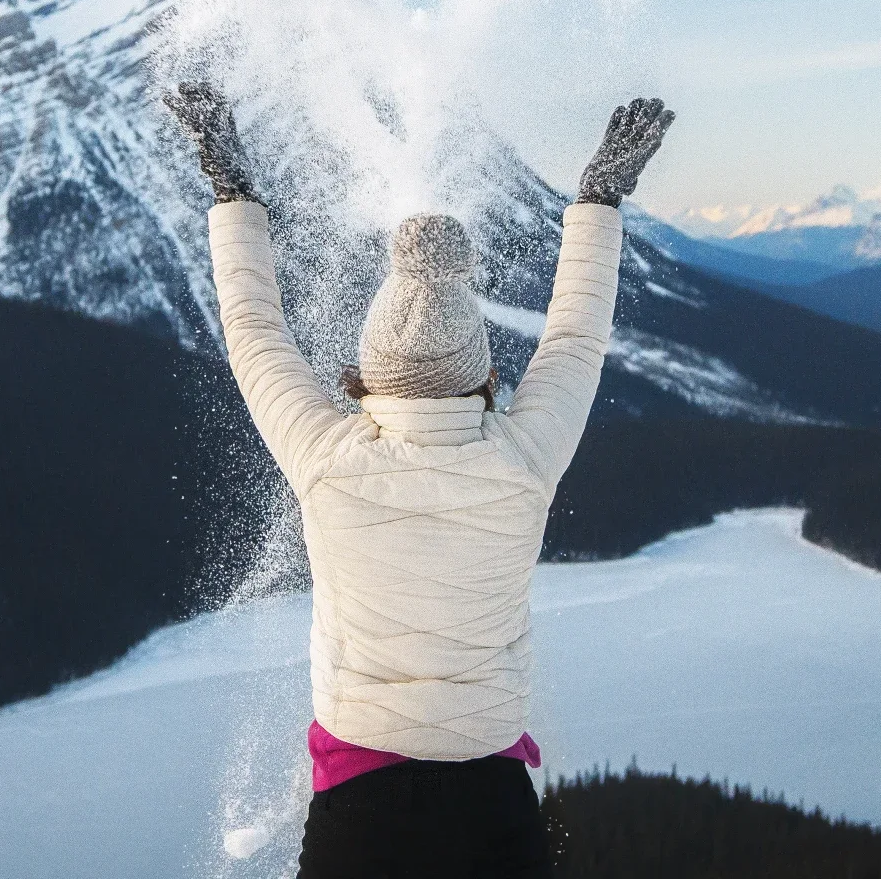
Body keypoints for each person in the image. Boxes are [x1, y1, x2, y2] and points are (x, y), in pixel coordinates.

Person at [165, 84, 674, 879]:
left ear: (369, 373)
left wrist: (233, 194)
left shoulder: (327, 460)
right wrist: (600, 199)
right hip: (493, 807)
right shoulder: (521, 460)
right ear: (483, 374)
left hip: (359, 810)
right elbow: (576, 337)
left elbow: (255, 333)